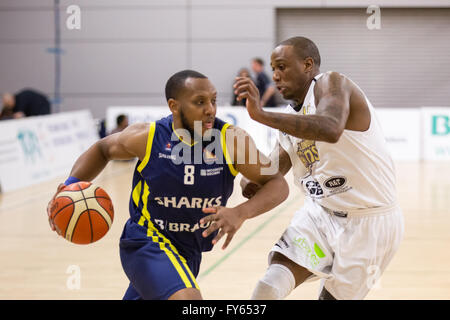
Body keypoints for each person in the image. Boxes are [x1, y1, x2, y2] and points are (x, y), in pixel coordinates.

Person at [47, 70, 289, 300]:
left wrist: (240, 212)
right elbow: (103, 149)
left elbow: (277, 184)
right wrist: (69, 186)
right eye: (200, 102)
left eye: (213, 100)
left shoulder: (232, 141)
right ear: (174, 106)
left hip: (188, 252)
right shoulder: (148, 137)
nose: (210, 110)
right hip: (146, 241)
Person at [235, 36, 404, 300]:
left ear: (308, 65)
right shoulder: (290, 118)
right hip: (320, 214)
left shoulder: (332, 83)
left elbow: (330, 127)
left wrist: (261, 115)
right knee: (269, 285)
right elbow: (270, 173)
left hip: (370, 222)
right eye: (273, 69)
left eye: (282, 67)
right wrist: (246, 174)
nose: (276, 75)